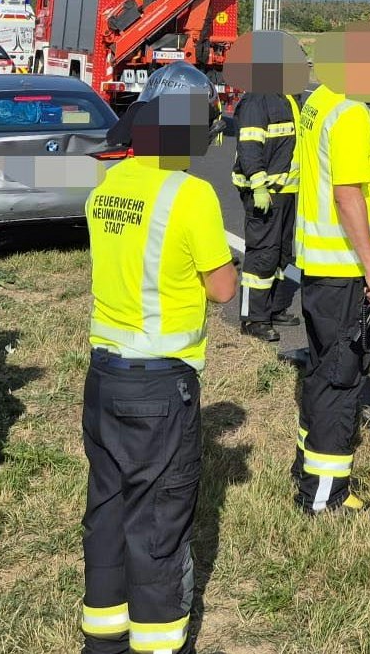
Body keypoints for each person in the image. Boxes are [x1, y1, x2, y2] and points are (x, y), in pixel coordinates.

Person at [80, 62, 237, 654]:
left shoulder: (108, 185)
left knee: (108, 507)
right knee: (159, 521)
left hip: (104, 375)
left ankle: (104, 636)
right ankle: (159, 641)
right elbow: (222, 289)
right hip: (161, 384)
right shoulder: (190, 195)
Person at [291, 25, 370, 514]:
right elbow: (347, 195)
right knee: (340, 379)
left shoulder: (321, 100)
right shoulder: (352, 114)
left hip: (321, 265)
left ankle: (307, 467)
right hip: (344, 268)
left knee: (322, 369)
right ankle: (325, 492)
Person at [224, 31, 311, 341]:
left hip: (286, 192)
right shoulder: (258, 98)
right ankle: (253, 318)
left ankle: (272, 308)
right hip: (265, 193)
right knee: (262, 255)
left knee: (281, 254)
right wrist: (259, 186)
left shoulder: (289, 97)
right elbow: (249, 146)